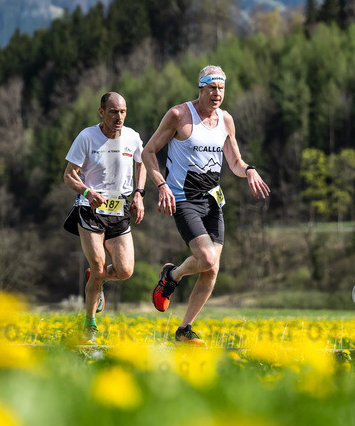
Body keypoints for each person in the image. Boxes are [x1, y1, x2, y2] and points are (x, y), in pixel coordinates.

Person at [143, 65, 270, 346]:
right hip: (183, 198)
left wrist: (249, 170)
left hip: (212, 200)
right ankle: (171, 275)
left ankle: (184, 329)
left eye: (221, 88)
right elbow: (148, 151)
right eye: (212, 88)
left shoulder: (226, 120)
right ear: (201, 88)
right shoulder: (179, 115)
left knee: (211, 269)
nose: (217, 94)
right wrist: (161, 185)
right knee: (208, 259)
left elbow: (235, 162)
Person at [63, 92, 146, 341]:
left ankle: (96, 279)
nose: (118, 117)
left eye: (122, 112)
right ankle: (89, 323)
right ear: (101, 112)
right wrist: (87, 192)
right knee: (99, 266)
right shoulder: (87, 137)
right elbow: (69, 174)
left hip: (119, 210)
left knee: (125, 270)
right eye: (112, 111)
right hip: (90, 210)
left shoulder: (132, 137)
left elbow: (142, 162)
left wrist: (140, 194)